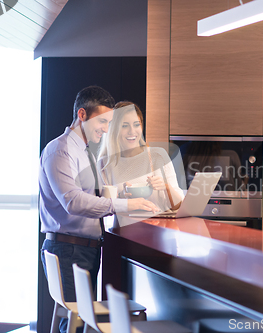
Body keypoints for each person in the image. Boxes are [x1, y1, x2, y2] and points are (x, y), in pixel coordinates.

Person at [39, 86, 158, 333]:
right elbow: (73, 201)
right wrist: (124, 204)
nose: (106, 129)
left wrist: (133, 190)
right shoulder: (60, 150)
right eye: (102, 121)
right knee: (75, 324)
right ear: (82, 115)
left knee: (76, 324)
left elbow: (98, 193)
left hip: (81, 250)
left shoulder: (85, 152)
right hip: (69, 250)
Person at [98, 101, 184, 213]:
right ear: (114, 129)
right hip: (122, 229)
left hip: (159, 227)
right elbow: (104, 210)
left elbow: (179, 206)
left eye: (136, 124)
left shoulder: (158, 155)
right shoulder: (105, 164)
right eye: (124, 126)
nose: (132, 131)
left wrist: (166, 187)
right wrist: (122, 198)